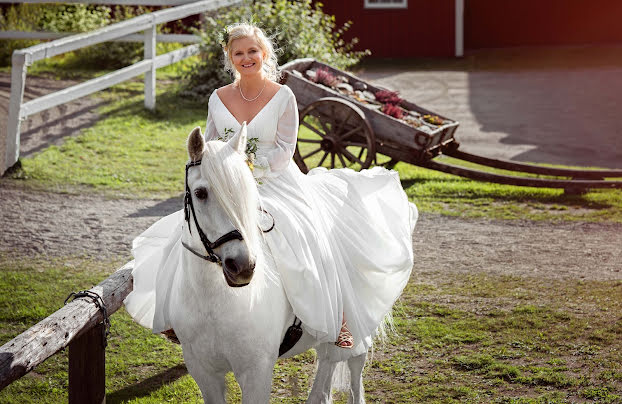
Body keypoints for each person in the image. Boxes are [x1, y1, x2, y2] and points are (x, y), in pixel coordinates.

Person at [124, 22, 417, 352]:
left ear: (263, 54)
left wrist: (251, 170)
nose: (246, 57)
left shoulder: (283, 96)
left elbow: (285, 149)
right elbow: (210, 145)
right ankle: (178, 316)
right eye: (238, 53)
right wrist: (226, 172)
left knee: (303, 234)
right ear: (229, 57)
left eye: (252, 51)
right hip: (229, 182)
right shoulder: (218, 98)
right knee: (190, 230)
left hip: (276, 180)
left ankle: (335, 316)